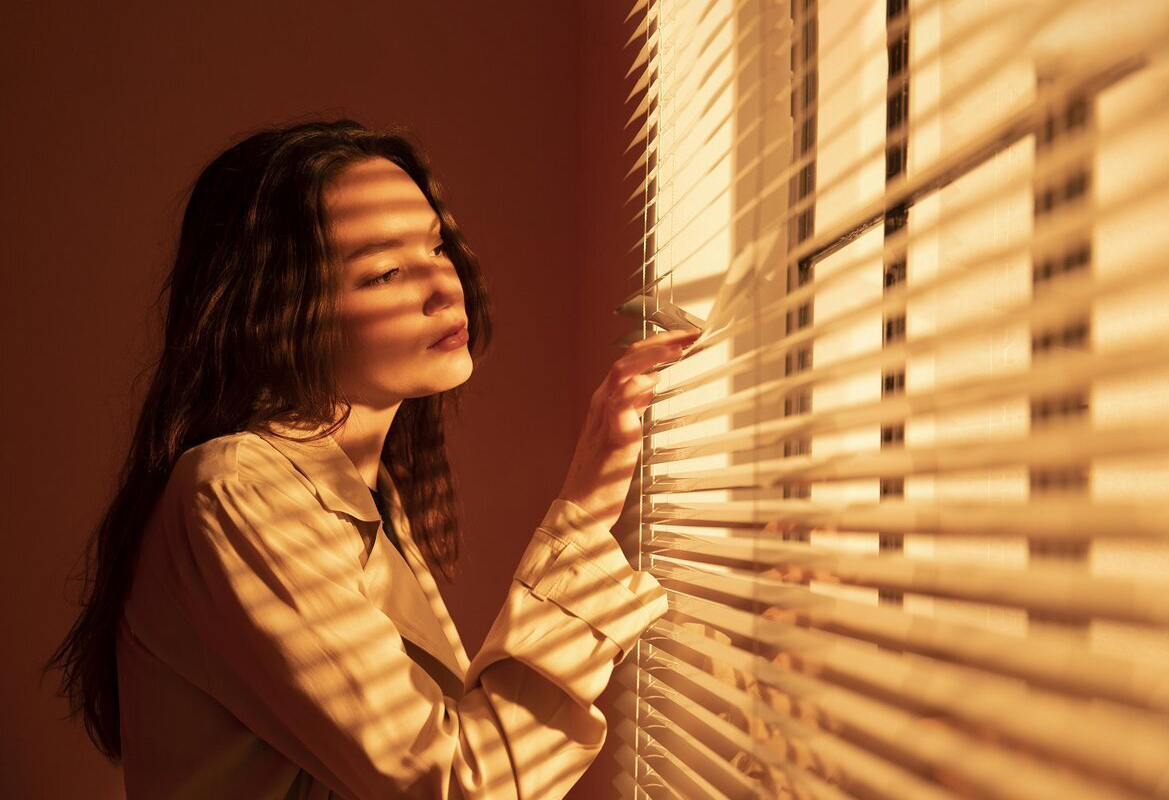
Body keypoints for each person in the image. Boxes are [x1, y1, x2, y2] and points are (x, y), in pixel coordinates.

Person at [43, 119, 702, 799]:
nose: (445, 286)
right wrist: (587, 505)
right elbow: (460, 783)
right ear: (278, 313)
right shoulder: (240, 493)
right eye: (385, 272)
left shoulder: (360, 497)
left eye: (437, 246)